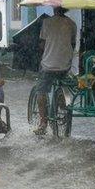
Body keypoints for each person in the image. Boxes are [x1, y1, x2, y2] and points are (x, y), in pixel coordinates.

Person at [33, 7, 77, 135]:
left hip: (48, 66)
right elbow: (72, 44)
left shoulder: (46, 22)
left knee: (40, 91)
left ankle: (43, 122)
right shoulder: (72, 24)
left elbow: (42, 45)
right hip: (65, 66)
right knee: (64, 84)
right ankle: (61, 104)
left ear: (54, 8)